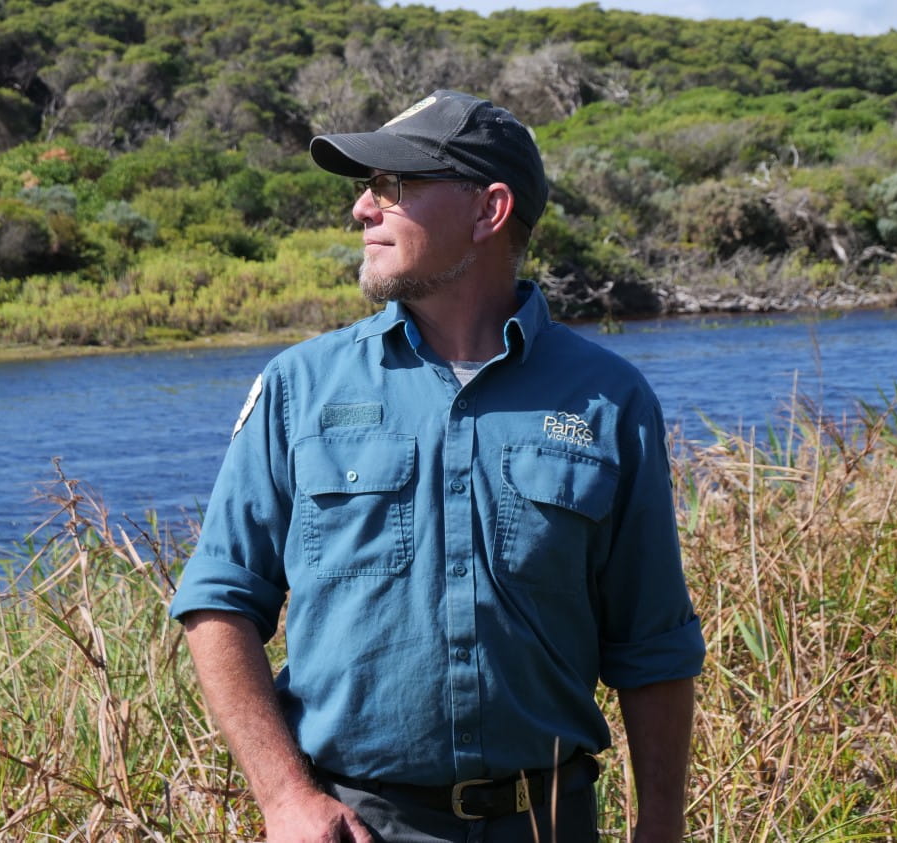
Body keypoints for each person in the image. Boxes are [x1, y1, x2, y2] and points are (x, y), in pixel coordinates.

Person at [169, 90, 705, 843]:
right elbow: (217, 601)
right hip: (355, 826)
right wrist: (284, 795)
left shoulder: (609, 401)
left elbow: (653, 642)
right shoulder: (301, 387)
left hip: (550, 822)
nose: (362, 209)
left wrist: (662, 825)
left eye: (392, 187)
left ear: (488, 211)